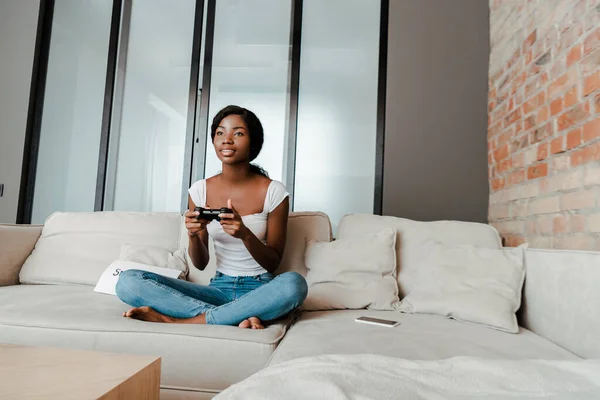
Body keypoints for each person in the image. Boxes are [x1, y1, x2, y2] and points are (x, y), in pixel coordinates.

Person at [115, 105, 308, 329]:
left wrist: (245, 233)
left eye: (238, 133)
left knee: (294, 285)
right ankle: (235, 316)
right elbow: (200, 262)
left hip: (261, 290)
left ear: (253, 142)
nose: (227, 139)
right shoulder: (199, 190)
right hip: (218, 290)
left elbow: (274, 261)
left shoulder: (274, 191)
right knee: (128, 282)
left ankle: (181, 321)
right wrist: (194, 235)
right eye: (220, 133)